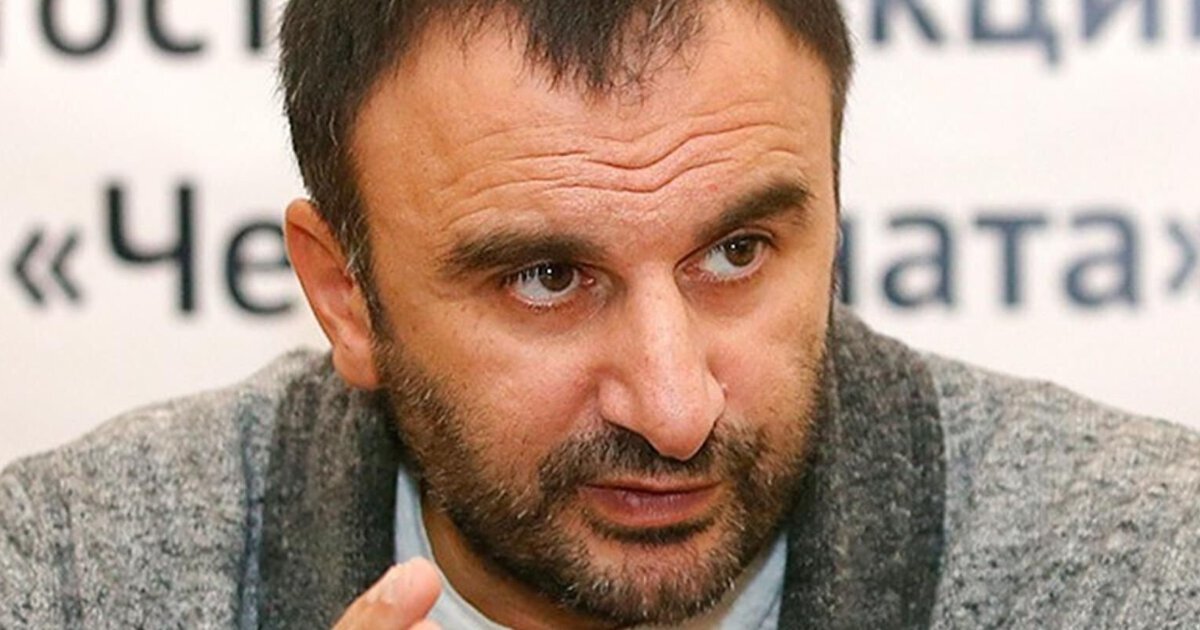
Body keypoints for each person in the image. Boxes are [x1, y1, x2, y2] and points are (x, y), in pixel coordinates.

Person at [3, 0, 1198, 628]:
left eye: (737, 252)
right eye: (544, 278)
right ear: (345, 296)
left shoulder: (1147, 570)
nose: (675, 409)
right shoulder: (64, 579)